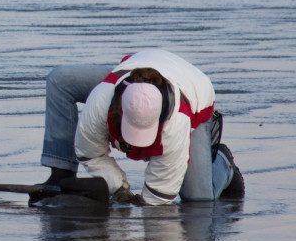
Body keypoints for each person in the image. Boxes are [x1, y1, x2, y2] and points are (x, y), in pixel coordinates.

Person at [38, 48, 244, 205]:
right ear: (118, 108)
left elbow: (158, 197)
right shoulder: (101, 100)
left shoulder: (177, 123)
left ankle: (224, 164)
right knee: (59, 80)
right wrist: (117, 187)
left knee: (198, 199)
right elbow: (90, 152)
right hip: (137, 69)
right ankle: (61, 173)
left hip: (196, 94)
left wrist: (140, 203)